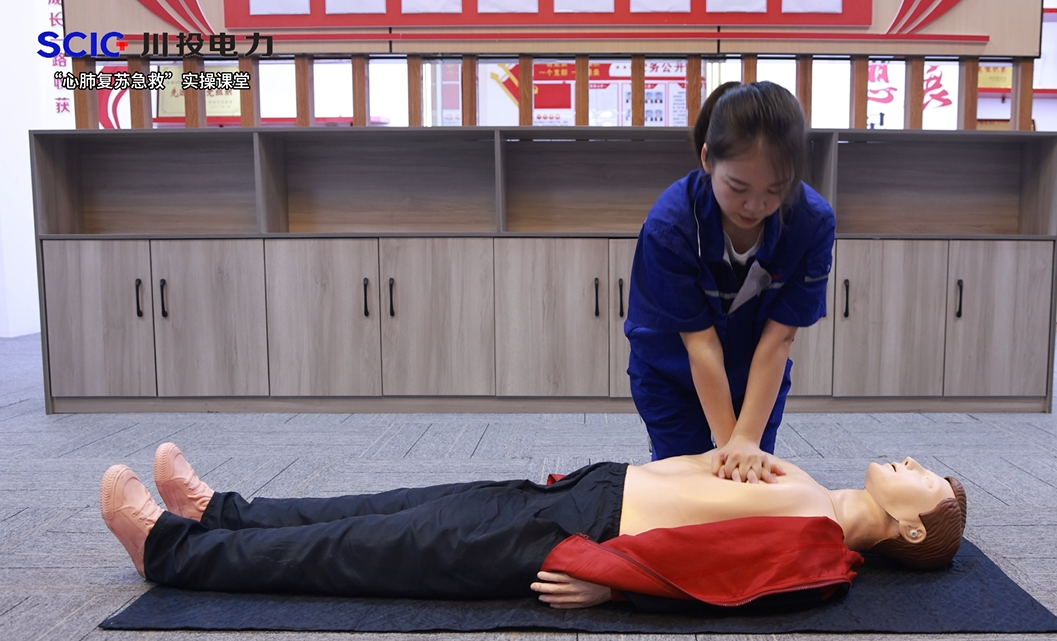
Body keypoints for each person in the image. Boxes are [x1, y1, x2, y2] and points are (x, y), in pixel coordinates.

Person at [100, 443, 966, 611]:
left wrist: (608, 582)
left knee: (367, 550)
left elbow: (716, 580)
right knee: (387, 507)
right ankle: (219, 512)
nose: (910, 459)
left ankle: (171, 551)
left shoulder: (820, 552)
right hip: (580, 488)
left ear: (909, 528)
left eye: (923, 477)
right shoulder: (811, 486)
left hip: (576, 532)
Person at [625, 80, 837, 482]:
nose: (755, 206)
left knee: (754, 482)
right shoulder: (671, 225)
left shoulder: (811, 222)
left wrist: (747, 441)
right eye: (738, 188)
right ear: (707, 159)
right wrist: (731, 451)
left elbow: (779, 339)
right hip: (673, 370)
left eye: (776, 189)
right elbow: (701, 345)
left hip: (756, 371)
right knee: (686, 485)